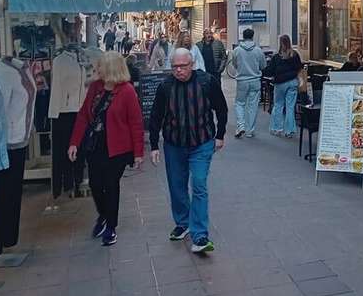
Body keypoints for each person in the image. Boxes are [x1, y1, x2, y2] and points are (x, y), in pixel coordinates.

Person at [148, 48, 228, 254]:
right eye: (175, 67)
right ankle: (183, 222)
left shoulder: (206, 82)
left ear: (191, 64)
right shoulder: (165, 86)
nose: (179, 70)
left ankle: (200, 234)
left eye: (183, 66)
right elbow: (156, 115)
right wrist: (154, 145)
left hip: (201, 143)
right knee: (177, 186)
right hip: (174, 144)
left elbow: (221, 108)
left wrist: (220, 135)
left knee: (199, 184)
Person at [67, 52, 145, 246]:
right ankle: (103, 215)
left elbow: (136, 123)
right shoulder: (96, 88)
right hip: (96, 145)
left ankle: (111, 226)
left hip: (118, 148)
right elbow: (84, 115)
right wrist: (74, 142)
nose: (97, 70)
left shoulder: (126, 91)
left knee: (110, 185)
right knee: (95, 184)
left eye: (99, 67)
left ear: (111, 68)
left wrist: (138, 153)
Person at [230, 28, 266, 138]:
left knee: (239, 103)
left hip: (242, 81)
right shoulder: (258, 50)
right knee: (253, 106)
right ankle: (250, 130)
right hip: (255, 80)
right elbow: (263, 66)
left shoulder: (237, 50)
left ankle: (241, 126)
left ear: (243, 36)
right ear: (252, 36)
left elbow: (234, 64)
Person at [264, 35, 302, 138]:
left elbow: (270, 71)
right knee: (290, 107)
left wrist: (263, 72)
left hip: (280, 83)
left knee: (278, 105)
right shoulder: (294, 55)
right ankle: (289, 131)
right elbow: (299, 67)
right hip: (293, 82)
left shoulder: (276, 57)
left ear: (280, 43)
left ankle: (277, 128)